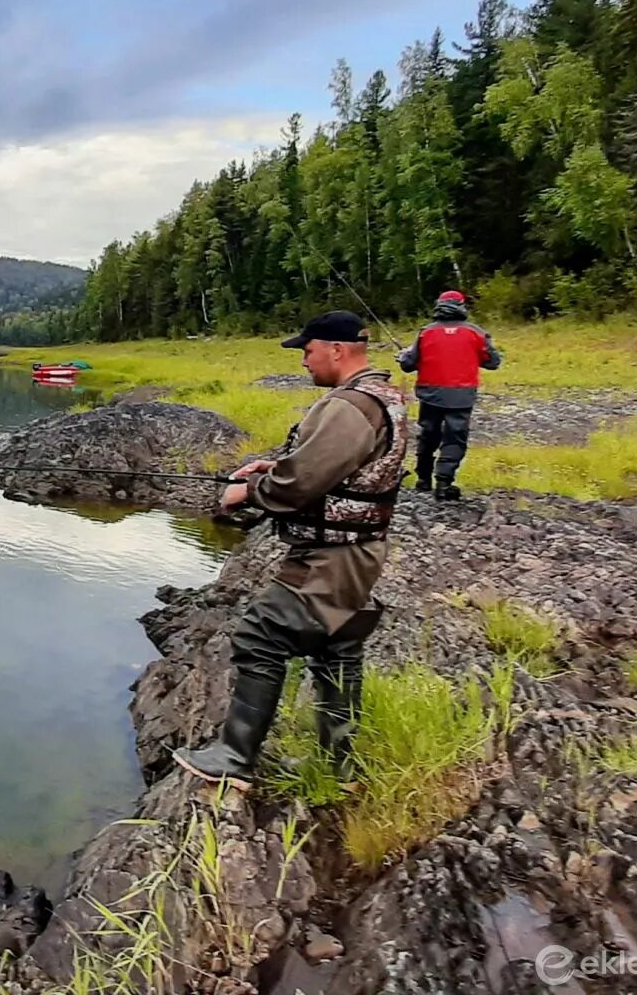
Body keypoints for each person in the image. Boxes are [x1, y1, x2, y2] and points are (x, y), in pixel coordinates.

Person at [172, 311, 408, 790]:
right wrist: (274, 463)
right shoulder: (381, 396)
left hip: (333, 557)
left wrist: (248, 492)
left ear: (337, 350)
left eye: (308, 350)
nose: (303, 360)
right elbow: (330, 466)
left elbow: (299, 484)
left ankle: (235, 758)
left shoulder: (350, 406)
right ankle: (341, 769)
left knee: (261, 633)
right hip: (359, 550)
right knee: (337, 647)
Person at [396, 290, 502, 501]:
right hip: (462, 395)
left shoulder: (426, 332)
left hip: (430, 393)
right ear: (462, 306)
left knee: (429, 434)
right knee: (455, 437)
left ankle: (423, 479)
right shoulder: (476, 332)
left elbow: (408, 365)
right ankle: (444, 483)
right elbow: (492, 362)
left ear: (438, 305)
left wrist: (403, 356)